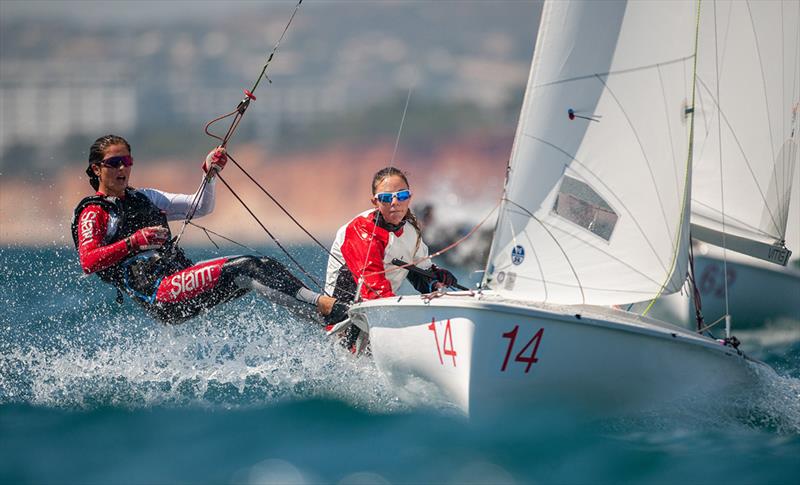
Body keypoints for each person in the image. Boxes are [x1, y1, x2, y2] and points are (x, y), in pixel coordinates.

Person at [72, 134, 347, 325]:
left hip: (181, 279)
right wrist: (133, 243)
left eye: (127, 162)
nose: (122, 168)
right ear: (97, 168)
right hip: (160, 294)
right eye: (114, 163)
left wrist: (209, 176)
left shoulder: (146, 198)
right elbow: (88, 261)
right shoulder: (94, 212)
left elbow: (199, 206)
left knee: (259, 268)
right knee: (249, 267)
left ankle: (328, 320)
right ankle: (328, 309)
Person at [325, 167, 458, 353]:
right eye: (387, 198)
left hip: (381, 312)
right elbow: (373, 289)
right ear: (375, 202)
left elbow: (421, 272)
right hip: (344, 319)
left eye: (401, 195)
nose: (395, 202)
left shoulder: (411, 232)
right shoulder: (361, 230)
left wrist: (435, 280)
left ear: (409, 197)